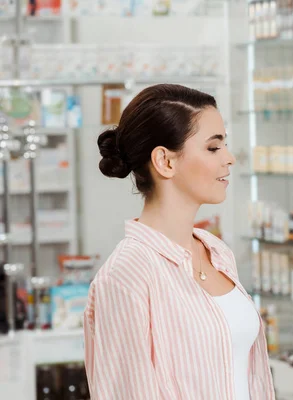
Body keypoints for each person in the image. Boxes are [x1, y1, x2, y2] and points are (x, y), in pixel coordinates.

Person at [83, 84, 275, 400]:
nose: (229, 159)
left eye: (225, 145)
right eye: (213, 148)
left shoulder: (217, 252)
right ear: (165, 162)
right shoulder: (126, 275)